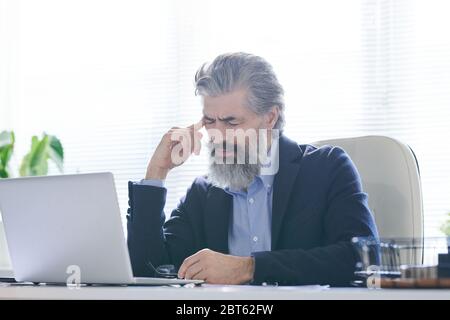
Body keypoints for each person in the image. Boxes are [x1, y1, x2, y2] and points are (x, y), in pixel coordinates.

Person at [127, 52, 378, 286]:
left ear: (269, 118)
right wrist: (156, 172)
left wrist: (248, 268)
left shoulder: (327, 168)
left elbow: (363, 260)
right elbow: (149, 271)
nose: (217, 135)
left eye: (231, 122)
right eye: (209, 121)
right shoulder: (203, 194)